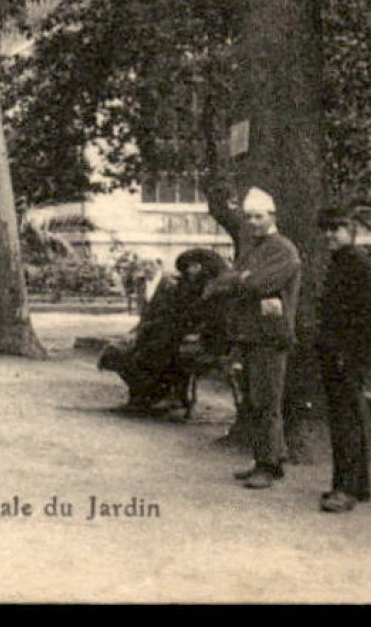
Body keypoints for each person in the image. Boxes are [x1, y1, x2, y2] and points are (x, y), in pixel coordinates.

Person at [203, 186, 303, 490]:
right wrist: (239, 279)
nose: (253, 222)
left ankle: (269, 465)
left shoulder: (282, 249)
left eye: (258, 216)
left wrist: (240, 279)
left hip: (270, 337)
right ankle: (267, 458)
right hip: (250, 334)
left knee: (266, 401)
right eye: (248, 217)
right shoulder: (254, 249)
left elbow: (259, 283)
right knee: (254, 400)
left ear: (272, 216)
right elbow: (227, 281)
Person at [101, 247, 228, 413]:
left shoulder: (215, 288)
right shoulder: (186, 286)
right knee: (133, 352)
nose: (191, 271)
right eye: (189, 267)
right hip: (175, 334)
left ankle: (162, 397)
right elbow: (174, 314)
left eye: (194, 267)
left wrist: (196, 333)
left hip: (203, 339)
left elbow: (212, 319)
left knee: (155, 352)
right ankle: (145, 397)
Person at [315, 207, 371, 513]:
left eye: (336, 229)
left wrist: (352, 356)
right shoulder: (341, 261)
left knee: (346, 423)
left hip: (346, 356)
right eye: (325, 229)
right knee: (347, 420)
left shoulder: (356, 263)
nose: (329, 235)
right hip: (337, 353)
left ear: (350, 229)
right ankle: (357, 486)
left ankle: (346, 490)